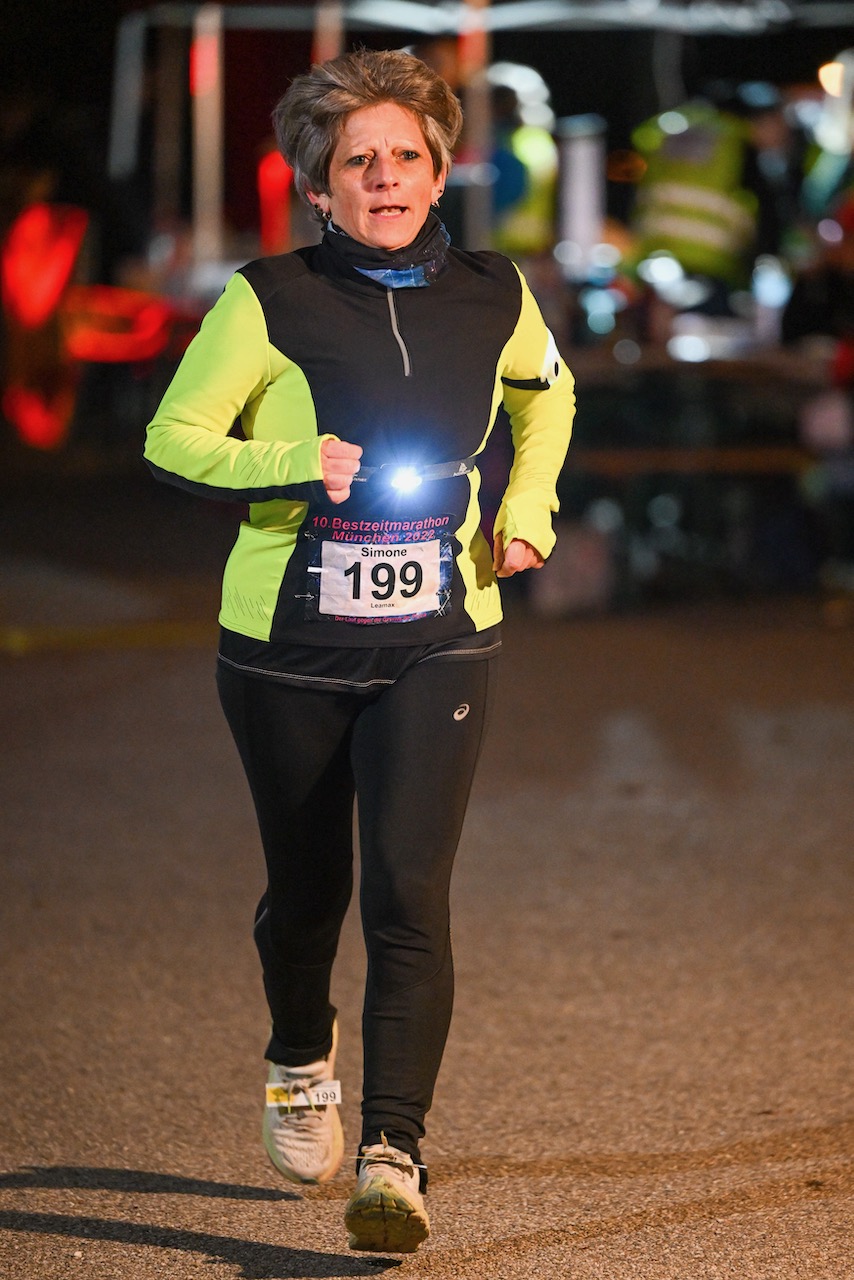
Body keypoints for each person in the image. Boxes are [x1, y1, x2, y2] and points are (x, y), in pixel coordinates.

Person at [144, 48, 574, 1254]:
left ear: (439, 174)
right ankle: (296, 1051)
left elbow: (548, 396)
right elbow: (172, 438)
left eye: (404, 157)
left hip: (441, 632)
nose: (383, 177)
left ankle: (393, 1151)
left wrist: (525, 508)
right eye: (356, 162)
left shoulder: (496, 292)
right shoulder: (266, 296)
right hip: (285, 641)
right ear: (318, 188)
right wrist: (283, 461)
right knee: (306, 894)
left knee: (406, 889)